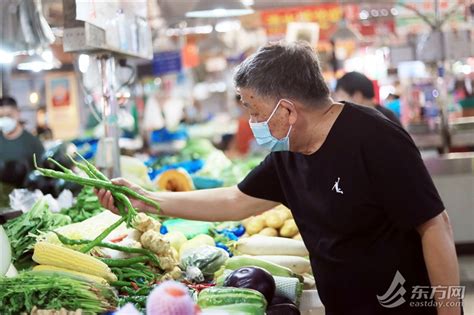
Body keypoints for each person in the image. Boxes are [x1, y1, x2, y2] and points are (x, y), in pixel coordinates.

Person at [97, 42, 461, 315]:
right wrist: (149, 200)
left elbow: (435, 226)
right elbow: (235, 201)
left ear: (286, 110)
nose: (252, 122)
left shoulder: (376, 139)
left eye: (254, 110)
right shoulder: (289, 154)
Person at [0, 96, 44, 184]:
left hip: (27, 194)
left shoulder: (32, 141)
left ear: (18, 113)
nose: (4, 120)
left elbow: (44, 172)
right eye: (1, 116)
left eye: (9, 115)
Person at [335, 71, 402, 126]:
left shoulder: (381, 119)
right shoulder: (386, 116)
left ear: (357, 96)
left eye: (342, 96)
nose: (339, 102)